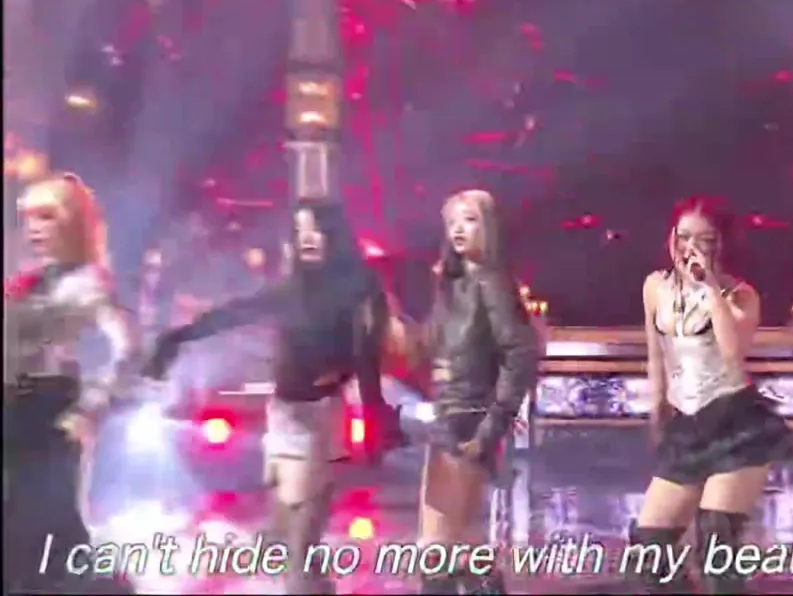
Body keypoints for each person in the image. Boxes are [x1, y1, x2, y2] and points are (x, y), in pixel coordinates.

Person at [146, 200, 401, 594]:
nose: (308, 238)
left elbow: (367, 353)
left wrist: (373, 415)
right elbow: (235, 313)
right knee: (286, 538)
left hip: (318, 417)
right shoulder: (290, 289)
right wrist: (178, 338)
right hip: (282, 415)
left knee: (298, 543)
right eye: (300, 231)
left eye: (315, 229)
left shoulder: (357, 287)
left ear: (333, 233)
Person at [631, 197, 793, 595]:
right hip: (686, 426)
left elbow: (732, 351)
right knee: (650, 552)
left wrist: (709, 288)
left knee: (717, 547)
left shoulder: (741, 296)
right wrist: (658, 412)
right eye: (682, 236)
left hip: (736, 425)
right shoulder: (655, 287)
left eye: (702, 240)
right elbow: (657, 355)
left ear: (721, 245)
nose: (689, 248)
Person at [4, 172, 139, 594]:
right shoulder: (29, 279)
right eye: (29, 217)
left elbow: (129, 350)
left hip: (48, 411)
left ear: (71, 220)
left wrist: (90, 408)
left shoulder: (87, 281)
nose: (34, 227)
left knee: (42, 531)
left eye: (46, 216)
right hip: (14, 409)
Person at [417, 189, 542, 596]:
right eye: (452, 221)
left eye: (469, 219)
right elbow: (433, 349)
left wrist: (493, 424)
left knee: (438, 547)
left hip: (470, 417)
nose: (458, 228)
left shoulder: (492, 282)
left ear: (487, 226)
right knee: (458, 543)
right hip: (448, 415)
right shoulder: (454, 285)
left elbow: (520, 354)